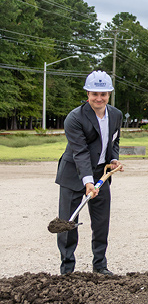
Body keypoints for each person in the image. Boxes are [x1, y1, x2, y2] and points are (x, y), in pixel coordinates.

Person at [55, 70, 123, 275]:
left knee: (101, 222)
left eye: (103, 94)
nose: (99, 98)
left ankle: (100, 266)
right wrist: (87, 181)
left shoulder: (116, 114)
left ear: (109, 94)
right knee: (68, 224)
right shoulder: (74, 118)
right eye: (94, 94)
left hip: (100, 174)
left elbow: (115, 140)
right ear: (87, 93)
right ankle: (67, 270)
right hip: (73, 174)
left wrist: (112, 159)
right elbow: (81, 152)